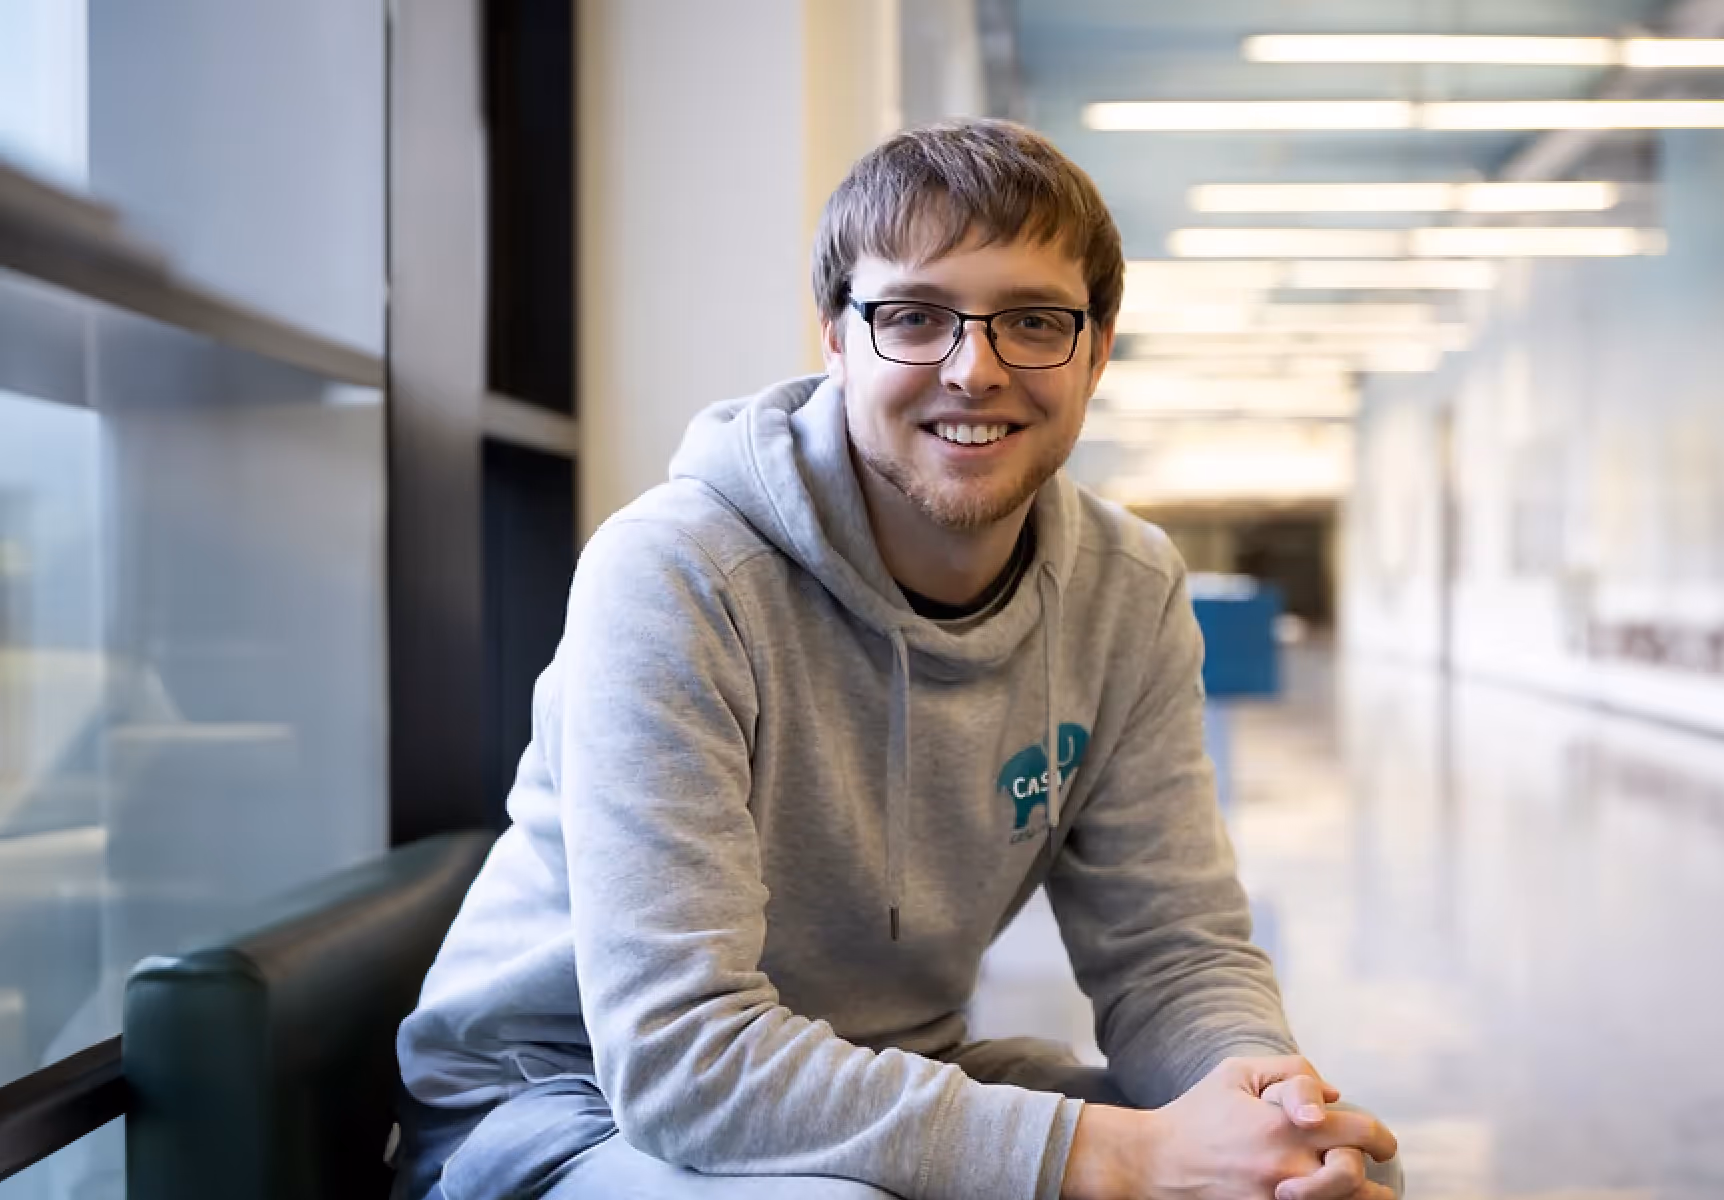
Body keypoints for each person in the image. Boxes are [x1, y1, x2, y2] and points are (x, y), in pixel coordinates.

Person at [392, 118, 1403, 1200]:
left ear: (1096, 349)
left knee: (1335, 1175)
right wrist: (1116, 1156)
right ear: (834, 335)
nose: (973, 369)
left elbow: (1172, 949)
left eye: (1032, 320)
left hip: (883, 1073)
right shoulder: (675, 571)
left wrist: (1263, 1106)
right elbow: (677, 1059)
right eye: (913, 317)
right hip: (568, 1107)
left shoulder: (1127, 587)